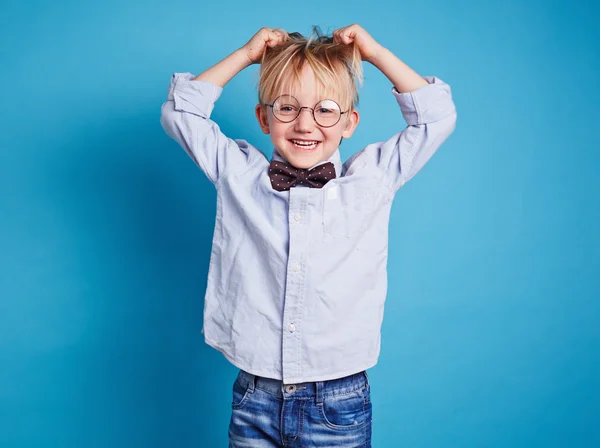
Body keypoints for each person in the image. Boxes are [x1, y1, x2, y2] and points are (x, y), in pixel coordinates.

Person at [160, 24, 457, 448]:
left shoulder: (372, 178)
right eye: (287, 108)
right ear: (263, 117)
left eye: (326, 109)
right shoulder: (238, 173)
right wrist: (246, 55)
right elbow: (180, 113)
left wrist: (374, 54)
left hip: (338, 401)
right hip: (254, 396)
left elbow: (436, 117)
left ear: (350, 122)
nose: (305, 123)